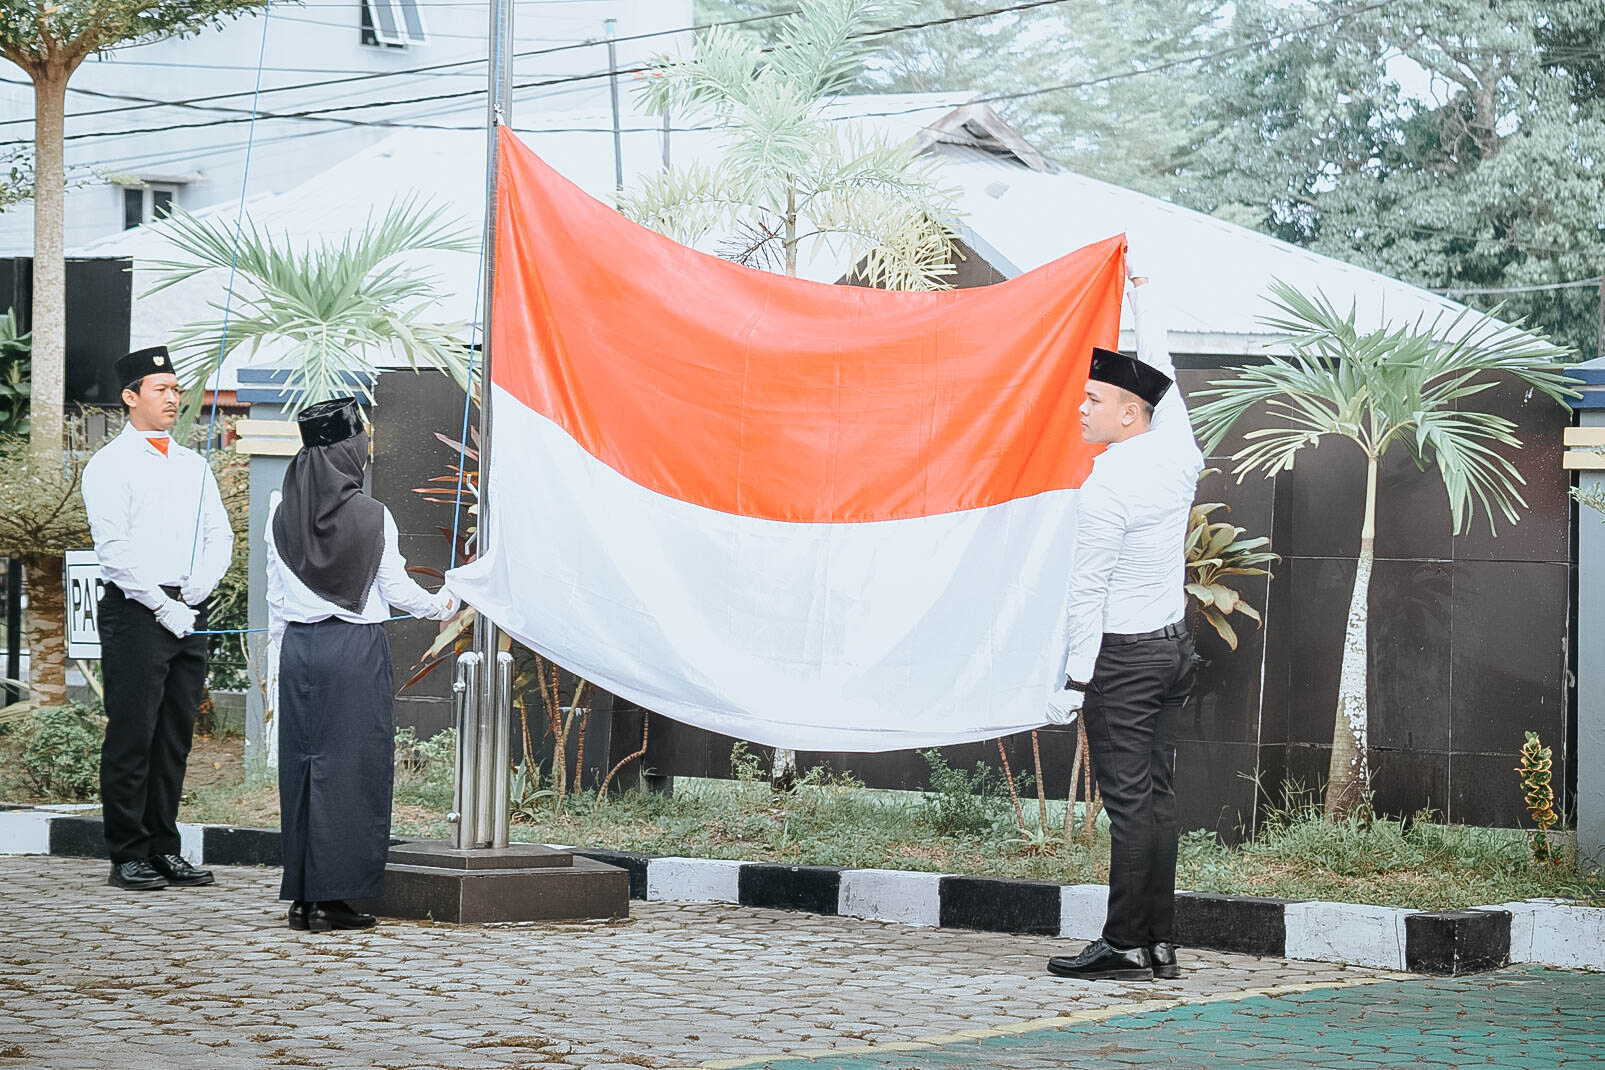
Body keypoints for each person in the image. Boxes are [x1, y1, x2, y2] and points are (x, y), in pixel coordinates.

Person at [1045, 251, 1205, 982]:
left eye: (1091, 400)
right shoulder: (1176, 450)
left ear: (1128, 413)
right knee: (1158, 798)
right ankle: (1157, 942)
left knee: (1129, 805)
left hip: (1125, 660)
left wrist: (1075, 680)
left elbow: (1086, 591)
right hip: (1172, 651)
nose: (1080, 409)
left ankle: (1123, 943)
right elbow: (1160, 368)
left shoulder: (1105, 488)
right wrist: (1144, 296)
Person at [265, 397, 457, 932]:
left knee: (304, 770)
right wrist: (446, 603)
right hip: (353, 654)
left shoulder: (280, 513)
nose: (365, 454)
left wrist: (282, 658)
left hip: (300, 653)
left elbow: (276, 600)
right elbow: (394, 589)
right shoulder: (373, 516)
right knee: (351, 774)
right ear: (346, 454)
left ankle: (303, 898)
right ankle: (336, 900)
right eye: (361, 445)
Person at [82, 345, 233, 892]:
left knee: (174, 735)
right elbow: (114, 550)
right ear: (130, 397)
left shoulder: (193, 463)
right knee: (132, 734)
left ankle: (164, 846)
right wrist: (162, 603)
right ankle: (128, 852)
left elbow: (221, 533)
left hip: (189, 607)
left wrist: (200, 585)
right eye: (161, 389)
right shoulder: (110, 465)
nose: (173, 398)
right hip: (138, 609)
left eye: (175, 388)